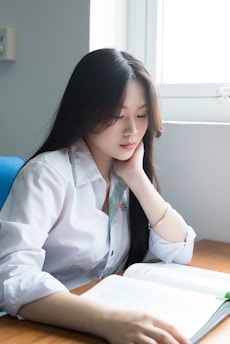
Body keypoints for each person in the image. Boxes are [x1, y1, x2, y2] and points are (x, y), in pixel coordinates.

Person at [0, 48, 196, 344]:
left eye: (142, 115)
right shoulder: (47, 175)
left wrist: (138, 178)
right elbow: (12, 278)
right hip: (43, 326)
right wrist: (107, 321)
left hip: (103, 315)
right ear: (86, 110)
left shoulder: (124, 174)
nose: (132, 130)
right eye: (117, 115)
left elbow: (180, 251)